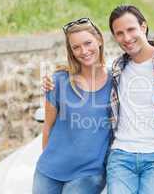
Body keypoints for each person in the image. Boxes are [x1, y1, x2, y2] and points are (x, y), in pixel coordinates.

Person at [43, 5, 154, 194]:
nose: (126, 38)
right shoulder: (117, 67)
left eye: (131, 30)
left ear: (143, 27)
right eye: (119, 33)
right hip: (120, 157)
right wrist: (54, 79)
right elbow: (87, 77)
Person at [33, 18, 112, 194]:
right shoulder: (58, 81)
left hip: (89, 174)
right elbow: (47, 127)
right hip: (48, 172)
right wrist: (47, 159)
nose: (84, 51)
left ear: (99, 39)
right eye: (76, 47)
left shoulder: (117, 81)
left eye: (88, 43)